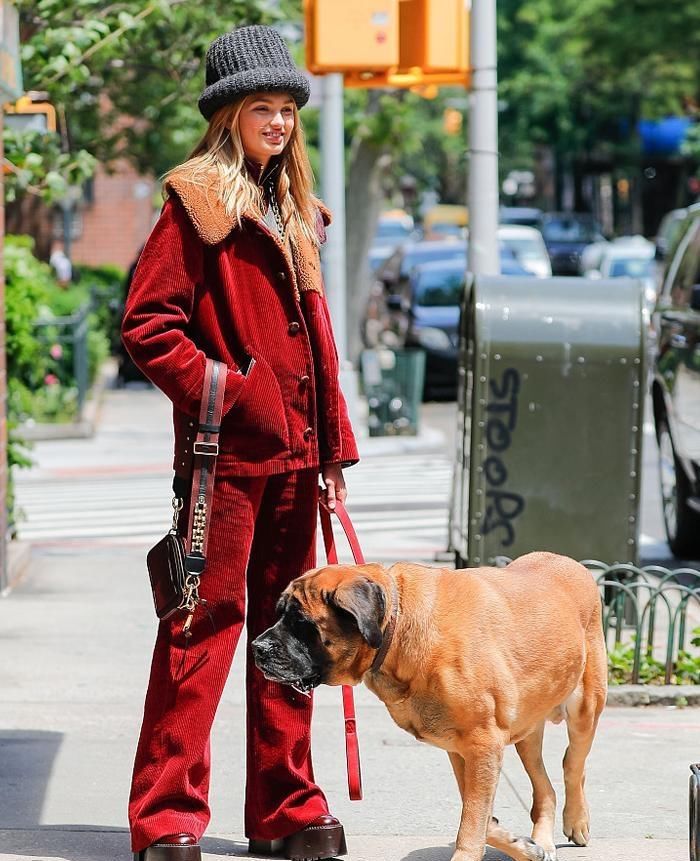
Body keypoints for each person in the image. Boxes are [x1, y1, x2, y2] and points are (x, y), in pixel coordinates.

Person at [121, 24, 359, 861]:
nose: (282, 122)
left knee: (296, 635)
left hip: (297, 459)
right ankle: (166, 817)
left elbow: (316, 338)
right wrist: (227, 390)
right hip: (224, 462)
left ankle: (286, 807)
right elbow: (146, 325)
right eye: (265, 107)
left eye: (289, 107)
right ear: (228, 114)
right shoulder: (195, 204)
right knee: (199, 627)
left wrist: (332, 442)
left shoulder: (295, 209)